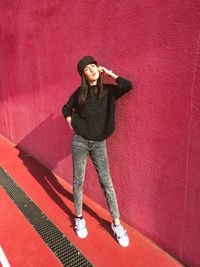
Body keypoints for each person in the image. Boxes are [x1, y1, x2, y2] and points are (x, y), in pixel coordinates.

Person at [62, 56, 133, 247]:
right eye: (87, 68)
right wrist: (71, 122)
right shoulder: (80, 93)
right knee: (78, 181)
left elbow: (127, 86)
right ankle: (79, 217)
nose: (92, 69)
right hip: (80, 142)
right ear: (83, 74)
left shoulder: (108, 91)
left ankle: (116, 224)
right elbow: (66, 109)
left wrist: (109, 73)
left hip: (99, 144)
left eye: (94, 66)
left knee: (106, 182)